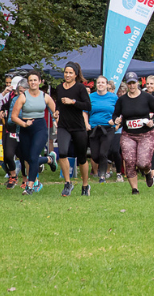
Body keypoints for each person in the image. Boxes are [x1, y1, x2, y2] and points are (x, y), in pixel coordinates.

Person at [112, 72, 154, 194]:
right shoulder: (122, 100)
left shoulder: (147, 97)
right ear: (127, 84)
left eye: (133, 83)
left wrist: (152, 121)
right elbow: (115, 114)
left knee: (143, 163)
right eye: (129, 83)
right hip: (128, 135)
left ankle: (147, 172)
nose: (131, 86)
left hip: (146, 134)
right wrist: (116, 120)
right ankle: (135, 189)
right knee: (129, 161)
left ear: (138, 83)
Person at [11, 70, 58, 195]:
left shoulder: (45, 96)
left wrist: (56, 120)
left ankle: (30, 186)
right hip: (26, 127)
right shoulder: (23, 97)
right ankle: (49, 159)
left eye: (35, 80)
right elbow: (14, 116)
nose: (33, 83)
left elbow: (55, 112)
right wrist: (24, 124)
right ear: (28, 82)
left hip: (40, 127)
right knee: (26, 158)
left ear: (40, 82)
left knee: (33, 157)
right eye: (30, 80)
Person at [54, 62, 92, 196]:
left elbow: (88, 106)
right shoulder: (59, 88)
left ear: (76, 75)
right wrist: (56, 112)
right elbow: (58, 104)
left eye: (70, 73)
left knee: (82, 158)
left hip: (78, 127)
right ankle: (67, 183)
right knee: (62, 153)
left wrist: (73, 102)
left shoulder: (80, 88)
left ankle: (85, 185)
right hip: (63, 126)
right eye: (66, 72)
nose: (68, 75)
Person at [87, 76, 118, 183]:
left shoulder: (113, 97)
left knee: (102, 153)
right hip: (94, 128)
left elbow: (119, 112)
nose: (100, 84)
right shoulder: (90, 97)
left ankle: (102, 176)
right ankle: (105, 162)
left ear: (107, 85)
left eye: (103, 83)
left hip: (108, 129)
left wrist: (115, 121)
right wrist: (86, 123)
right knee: (95, 156)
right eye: (98, 83)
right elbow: (84, 112)